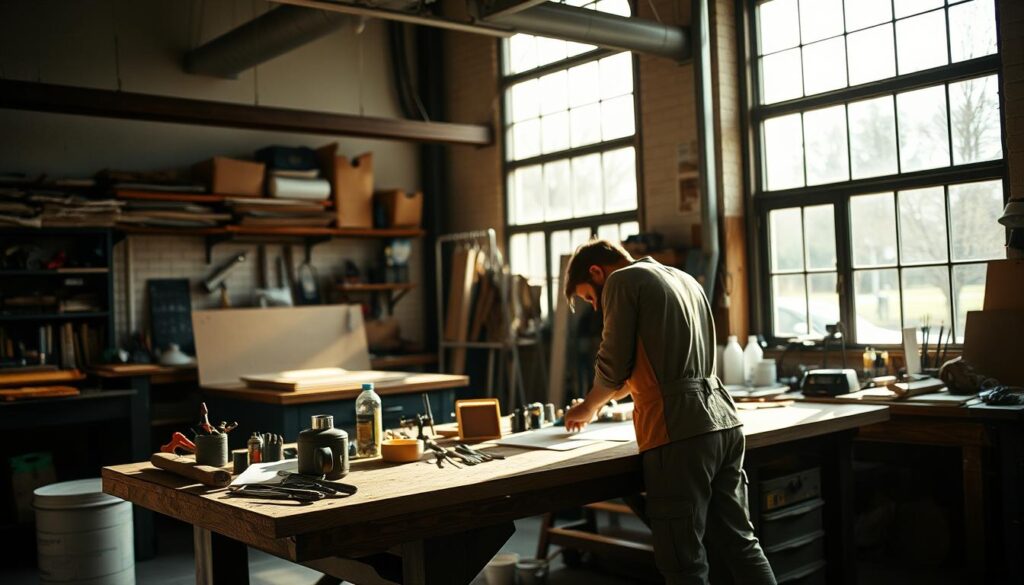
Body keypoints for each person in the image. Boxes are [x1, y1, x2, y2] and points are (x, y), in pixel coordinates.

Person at [562, 239, 776, 585]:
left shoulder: (622, 281)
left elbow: (614, 364)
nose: (596, 307)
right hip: (723, 421)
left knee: (683, 562)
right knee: (741, 544)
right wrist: (594, 406)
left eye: (589, 296)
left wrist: (588, 405)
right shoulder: (682, 279)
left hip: (679, 430)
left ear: (597, 272)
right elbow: (646, 368)